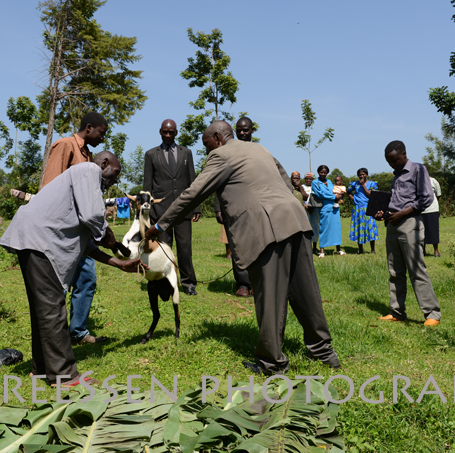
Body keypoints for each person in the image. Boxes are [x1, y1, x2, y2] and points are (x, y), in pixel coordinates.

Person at [145, 121, 341, 374]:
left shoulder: (221, 155)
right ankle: (323, 351)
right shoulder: (260, 149)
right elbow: (285, 182)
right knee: (306, 290)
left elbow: (193, 193)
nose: (207, 151)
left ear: (218, 137)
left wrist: (160, 225)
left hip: (267, 227)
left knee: (269, 296)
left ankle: (272, 362)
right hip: (296, 220)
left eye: (207, 145)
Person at [0, 152, 146, 386]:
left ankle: (42, 368)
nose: (115, 180)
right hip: (40, 242)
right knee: (52, 308)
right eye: (115, 173)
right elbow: (93, 216)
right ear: (104, 164)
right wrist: (106, 233)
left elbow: (87, 245)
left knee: (43, 308)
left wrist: (118, 263)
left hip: (32, 240)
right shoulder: (89, 170)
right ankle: (64, 375)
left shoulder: (81, 189)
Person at [14, 112, 109, 345]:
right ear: (89, 127)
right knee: (58, 285)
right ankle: (55, 337)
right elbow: (50, 186)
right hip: (59, 232)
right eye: (101, 133)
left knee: (87, 279)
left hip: (79, 230)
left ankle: (77, 332)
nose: (102, 138)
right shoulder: (64, 145)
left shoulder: (88, 155)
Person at [374, 141, 441, 326]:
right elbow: (397, 201)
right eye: (389, 162)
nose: (392, 164)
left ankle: (432, 313)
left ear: (404, 154)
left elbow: (426, 198)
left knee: (416, 269)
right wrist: (384, 213)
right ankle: (397, 311)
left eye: (395, 160)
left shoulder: (418, 169)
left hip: (410, 223)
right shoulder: (396, 175)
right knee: (395, 270)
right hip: (392, 224)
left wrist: (402, 213)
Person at [143, 119, 200, 295]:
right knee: (164, 249)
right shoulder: (151, 154)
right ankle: (165, 283)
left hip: (183, 210)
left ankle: (188, 284)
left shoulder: (186, 153)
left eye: (171, 132)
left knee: (185, 249)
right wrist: (148, 212)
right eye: (165, 132)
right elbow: (147, 186)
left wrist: (196, 207)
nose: (168, 135)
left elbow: (193, 182)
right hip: (161, 212)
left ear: (176, 133)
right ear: (160, 132)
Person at [215, 116, 254, 297]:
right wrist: (218, 207)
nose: (242, 133)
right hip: (232, 208)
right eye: (239, 130)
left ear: (252, 131)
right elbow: (218, 181)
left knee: (257, 245)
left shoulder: (258, 151)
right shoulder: (227, 151)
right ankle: (243, 284)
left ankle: (257, 282)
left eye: (245, 130)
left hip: (255, 207)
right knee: (236, 245)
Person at [311, 165, 345, 257]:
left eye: (325, 172)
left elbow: (334, 190)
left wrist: (339, 195)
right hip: (324, 208)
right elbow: (320, 194)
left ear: (327, 173)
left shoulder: (329, 181)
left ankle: (338, 249)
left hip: (334, 208)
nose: (323, 174)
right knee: (323, 228)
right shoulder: (315, 182)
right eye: (321, 172)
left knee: (336, 228)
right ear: (318, 172)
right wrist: (334, 197)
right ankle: (322, 250)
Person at [347, 168, 378, 254]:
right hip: (357, 208)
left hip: (368, 207)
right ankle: (360, 249)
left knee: (370, 227)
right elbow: (348, 192)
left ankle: (372, 250)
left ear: (366, 175)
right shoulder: (354, 184)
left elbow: (370, 195)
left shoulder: (372, 184)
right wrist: (353, 198)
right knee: (358, 227)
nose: (362, 176)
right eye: (360, 175)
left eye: (363, 174)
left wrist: (363, 185)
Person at [421, 166, 442, 257]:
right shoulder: (416, 181)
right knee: (421, 231)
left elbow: (438, 194)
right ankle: (423, 250)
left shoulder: (433, 181)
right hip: (420, 210)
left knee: (433, 230)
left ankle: (436, 250)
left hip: (432, 209)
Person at [303, 172, 321, 254]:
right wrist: (305, 205)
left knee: (315, 228)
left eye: (310, 179)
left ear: (312, 180)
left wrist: (312, 206)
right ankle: (306, 247)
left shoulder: (316, 187)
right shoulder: (302, 187)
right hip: (304, 210)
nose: (308, 180)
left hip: (314, 210)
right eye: (307, 179)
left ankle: (314, 247)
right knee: (305, 228)